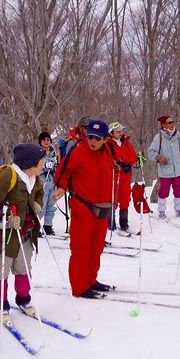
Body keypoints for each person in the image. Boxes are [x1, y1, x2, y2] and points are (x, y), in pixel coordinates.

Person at [0, 144, 45, 320]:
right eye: (41, 161)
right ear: (31, 164)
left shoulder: (33, 178)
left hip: (24, 233)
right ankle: (0, 304)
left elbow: (39, 192)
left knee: (24, 269)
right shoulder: (7, 176)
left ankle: (23, 299)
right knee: (1, 271)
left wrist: (37, 204)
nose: (43, 164)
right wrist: (6, 219)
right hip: (3, 236)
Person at [53, 120, 114, 298]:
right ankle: (79, 288)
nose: (92, 141)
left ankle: (91, 280)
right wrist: (60, 187)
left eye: (97, 138)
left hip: (102, 207)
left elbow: (129, 158)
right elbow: (63, 172)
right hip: (82, 206)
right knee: (81, 248)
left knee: (96, 248)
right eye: (90, 137)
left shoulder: (109, 151)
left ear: (105, 139)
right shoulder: (78, 151)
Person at [147, 115, 180, 219]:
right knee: (164, 191)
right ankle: (161, 210)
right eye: (169, 123)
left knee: (178, 191)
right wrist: (159, 157)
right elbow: (151, 152)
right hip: (165, 170)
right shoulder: (159, 137)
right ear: (163, 125)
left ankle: (178, 210)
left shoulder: (177, 134)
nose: (172, 124)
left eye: (173, 122)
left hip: (178, 169)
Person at [106, 121, 137, 232]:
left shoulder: (126, 143)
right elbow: (107, 158)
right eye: (117, 131)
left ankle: (124, 221)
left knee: (124, 198)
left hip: (125, 175)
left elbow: (133, 156)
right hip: (114, 175)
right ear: (111, 133)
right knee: (112, 198)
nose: (120, 133)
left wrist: (127, 163)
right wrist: (115, 163)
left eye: (120, 131)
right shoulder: (108, 144)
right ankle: (110, 220)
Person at [38, 132, 58, 235]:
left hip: (52, 181)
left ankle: (48, 225)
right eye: (44, 140)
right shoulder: (37, 152)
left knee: (51, 205)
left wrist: (54, 167)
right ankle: (36, 226)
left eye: (48, 140)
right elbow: (34, 168)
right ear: (40, 141)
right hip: (42, 182)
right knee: (41, 205)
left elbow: (57, 165)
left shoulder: (53, 152)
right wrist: (44, 167)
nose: (46, 142)